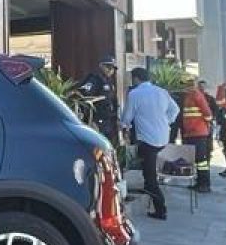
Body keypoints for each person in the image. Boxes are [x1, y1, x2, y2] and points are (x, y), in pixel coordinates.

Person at [120, 66, 180, 221]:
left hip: (148, 141)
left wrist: (123, 127)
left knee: (150, 177)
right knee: (147, 168)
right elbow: (175, 110)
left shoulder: (135, 94)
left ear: (136, 79)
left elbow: (127, 117)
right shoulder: (162, 91)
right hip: (163, 138)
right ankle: (149, 190)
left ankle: (161, 209)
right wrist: (166, 121)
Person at [71, 58, 121, 146]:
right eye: (108, 67)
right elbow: (83, 97)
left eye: (113, 68)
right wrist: (91, 121)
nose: (110, 70)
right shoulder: (95, 80)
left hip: (108, 120)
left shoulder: (109, 82)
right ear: (101, 66)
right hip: (97, 120)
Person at [179, 77, 215, 192]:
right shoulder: (188, 95)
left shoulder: (195, 94)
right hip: (192, 133)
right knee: (197, 160)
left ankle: (204, 184)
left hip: (198, 132)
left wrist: (206, 124)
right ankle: (199, 182)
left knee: (202, 161)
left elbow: (207, 113)